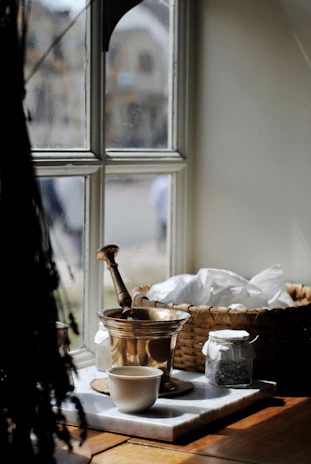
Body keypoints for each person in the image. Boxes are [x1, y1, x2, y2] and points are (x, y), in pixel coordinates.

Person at [149, 174, 169, 252]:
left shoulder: (159, 183)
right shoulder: (161, 182)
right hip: (165, 214)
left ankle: (161, 249)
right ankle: (162, 249)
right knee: (164, 232)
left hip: (163, 214)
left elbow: (154, 200)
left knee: (163, 232)